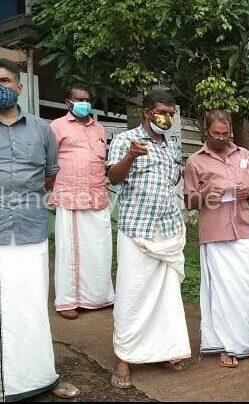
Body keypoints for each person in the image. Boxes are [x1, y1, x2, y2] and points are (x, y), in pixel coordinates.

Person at [0, 58, 79, 400]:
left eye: (4, 80)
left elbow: (49, 175)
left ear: (18, 86)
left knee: (31, 305)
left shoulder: (41, 129)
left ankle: (39, 377)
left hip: (30, 231)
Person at [107, 89, 190, 388]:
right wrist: (130, 156)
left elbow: (173, 183)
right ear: (146, 112)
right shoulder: (124, 140)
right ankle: (124, 357)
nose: (167, 118)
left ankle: (166, 349)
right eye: (162, 112)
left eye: (171, 113)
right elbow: (114, 177)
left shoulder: (172, 145)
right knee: (131, 293)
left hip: (167, 230)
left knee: (166, 295)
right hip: (136, 230)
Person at [183, 110, 249, 368]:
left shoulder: (243, 155)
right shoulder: (195, 162)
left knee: (245, 287)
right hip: (215, 233)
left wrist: (247, 192)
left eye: (225, 133)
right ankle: (225, 345)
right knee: (220, 292)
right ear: (206, 131)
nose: (221, 138)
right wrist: (206, 193)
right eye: (216, 133)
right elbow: (189, 201)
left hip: (242, 230)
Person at [48, 82, 114, 320]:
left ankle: (99, 297)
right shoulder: (56, 127)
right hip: (70, 194)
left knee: (99, 248)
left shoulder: (99, 129)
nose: (83, 103)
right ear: (68, 103)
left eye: (87, 99)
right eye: (79, 99)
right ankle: (68, 301)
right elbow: (48, 162)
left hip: (97, 194)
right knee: (70, 251)